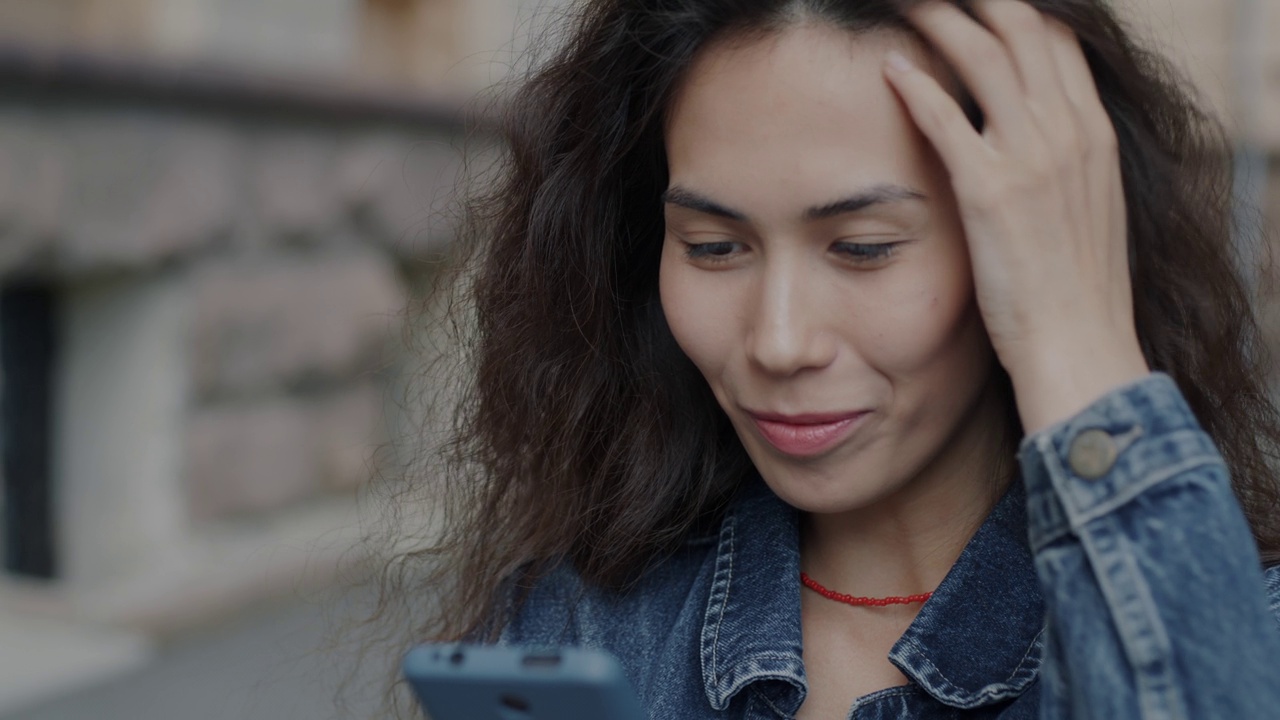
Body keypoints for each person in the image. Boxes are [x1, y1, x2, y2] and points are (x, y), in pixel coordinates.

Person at [389, 0, 1280, 717]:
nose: (778, 342)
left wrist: (1083, 350)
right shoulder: (578, 629)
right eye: (711, 247)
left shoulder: (1242, 629)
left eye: (862, 248)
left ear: (1040, 242)